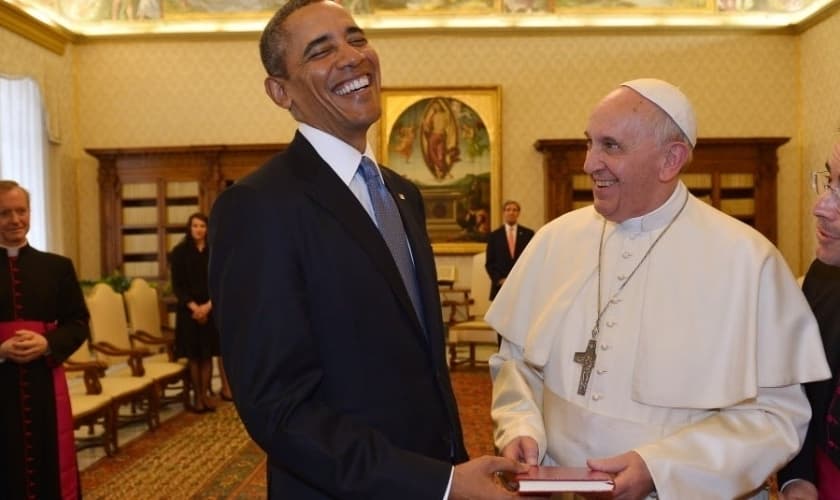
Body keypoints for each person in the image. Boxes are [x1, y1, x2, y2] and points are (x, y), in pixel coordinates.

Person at [207, 1, 525, 498]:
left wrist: (451, 468)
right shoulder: (257, 207)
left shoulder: (403, 193)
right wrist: (438, 483)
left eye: (355, 39)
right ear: (280, 90)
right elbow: (280, 408)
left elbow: (421, 365)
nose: (351, 57)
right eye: (320, 50)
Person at [486, 78, 830, 499]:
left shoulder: (748, 261)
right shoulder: (554, 241)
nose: (589, 163)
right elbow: (515, 362)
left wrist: (661, 469)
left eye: (610, 146)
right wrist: (520, 425)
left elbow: (776, 416)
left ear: (671, 159)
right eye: (589, 143)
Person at [0, 180, 90, 499]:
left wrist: (48, 343)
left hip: (43, 383)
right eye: (5, 213)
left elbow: (79, 322)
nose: (15, 220)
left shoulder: (57, 267)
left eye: (21, 211)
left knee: (47, 460)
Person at [778, 139, 840, 500]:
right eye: (829, 183)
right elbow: (796, 390)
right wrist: (797, 480)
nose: (821, 207)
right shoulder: (821, 280)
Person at [169, 212, 232, 413]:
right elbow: (177, 286)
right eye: (195, 226)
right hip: (188, 312)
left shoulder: (215, 251)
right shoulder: (179, 252)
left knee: (207, 356)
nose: (199, 229)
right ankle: (197, 397)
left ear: (207, 229)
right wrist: (194, 307)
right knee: (194, 356)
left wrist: (208, 306)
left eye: (202, 226)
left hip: (210, 309)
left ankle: (205, 394)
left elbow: (221, 280)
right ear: (189, 228)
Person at [484, 200, 534, 300]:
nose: (511, 212)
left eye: (514, 210)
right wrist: (499, 280)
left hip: (522, 285)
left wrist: (523, 279)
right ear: (504, 213)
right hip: (500, 286)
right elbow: (490, 263)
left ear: (518, 213)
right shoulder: (494, 236)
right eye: (508, 210)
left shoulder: (528, 234)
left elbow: (532, 259)